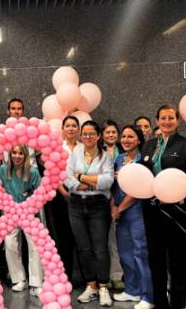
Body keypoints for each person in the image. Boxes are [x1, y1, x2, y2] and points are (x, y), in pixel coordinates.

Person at [140, 105, 186, 309]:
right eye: (163, 118)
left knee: (179, 263)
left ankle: (178, 304)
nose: (167, 121)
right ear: (157, 120)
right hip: (152, 212)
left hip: (177, 213)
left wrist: (176, 195)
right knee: (156, 262)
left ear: (177, 121)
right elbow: (143, 176)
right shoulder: (148, 145)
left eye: (171, 118)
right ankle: (160, 303)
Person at [64, 120, 114, 306]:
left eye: (91, 134)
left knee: (100, 249)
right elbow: (67, 178)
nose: (88, 137)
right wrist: (88, 181)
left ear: (98, 136)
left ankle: (103, 287)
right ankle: (91, 286)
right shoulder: (75, 153)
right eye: (84, 134)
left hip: (98, 205)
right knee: (83, 249)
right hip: (76, 204)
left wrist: (81, 177)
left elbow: (107, 181)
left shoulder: (105, 156)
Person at [111, 125, 154, 309]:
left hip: (136, 212)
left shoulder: (142, 161)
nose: (126, 140)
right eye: (124, 136)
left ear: (138, 140)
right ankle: (132, 289)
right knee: (125, 253)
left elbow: (137, 190)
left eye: (131, 137)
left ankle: (148, 296)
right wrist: (112, 206)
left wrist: (119, 208)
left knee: (140, 253)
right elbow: (112, 186)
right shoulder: (119, 159)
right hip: (120, 213)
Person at [0, 144, 43, 296]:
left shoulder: (33, 172)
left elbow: (39, 194)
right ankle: (19, 279)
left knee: (35, 245)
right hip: (10, 212)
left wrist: (29, 207)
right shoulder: (3, 170)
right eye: (14, 153)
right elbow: (1, 191)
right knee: (10, 244)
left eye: (20, 153)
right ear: (9, 155)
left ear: (25, 156)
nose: (17, 156)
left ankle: (36, 283)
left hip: (29, 212)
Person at [45, 115, 81, 285]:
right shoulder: (57, 149)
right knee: (64, 237)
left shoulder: (86, 147)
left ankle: (87, 277)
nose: (71, 128)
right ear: (63, 130)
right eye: (68, 126)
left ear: (79, 130)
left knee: (82, 238)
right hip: (61, 197)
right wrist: (63, 192)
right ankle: (66, 276)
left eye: (74, 125)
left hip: (84, 196)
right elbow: (52, 173)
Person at [101, 119, 124, 291]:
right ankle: (103, 277)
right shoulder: (96, 153)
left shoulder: (125, 152)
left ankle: (117, 276)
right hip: (101, 199)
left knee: (116, 241)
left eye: (114, 132)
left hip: (122, 198)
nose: (111, 135)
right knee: (102, 242)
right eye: (107, 132)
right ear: (102, 135)